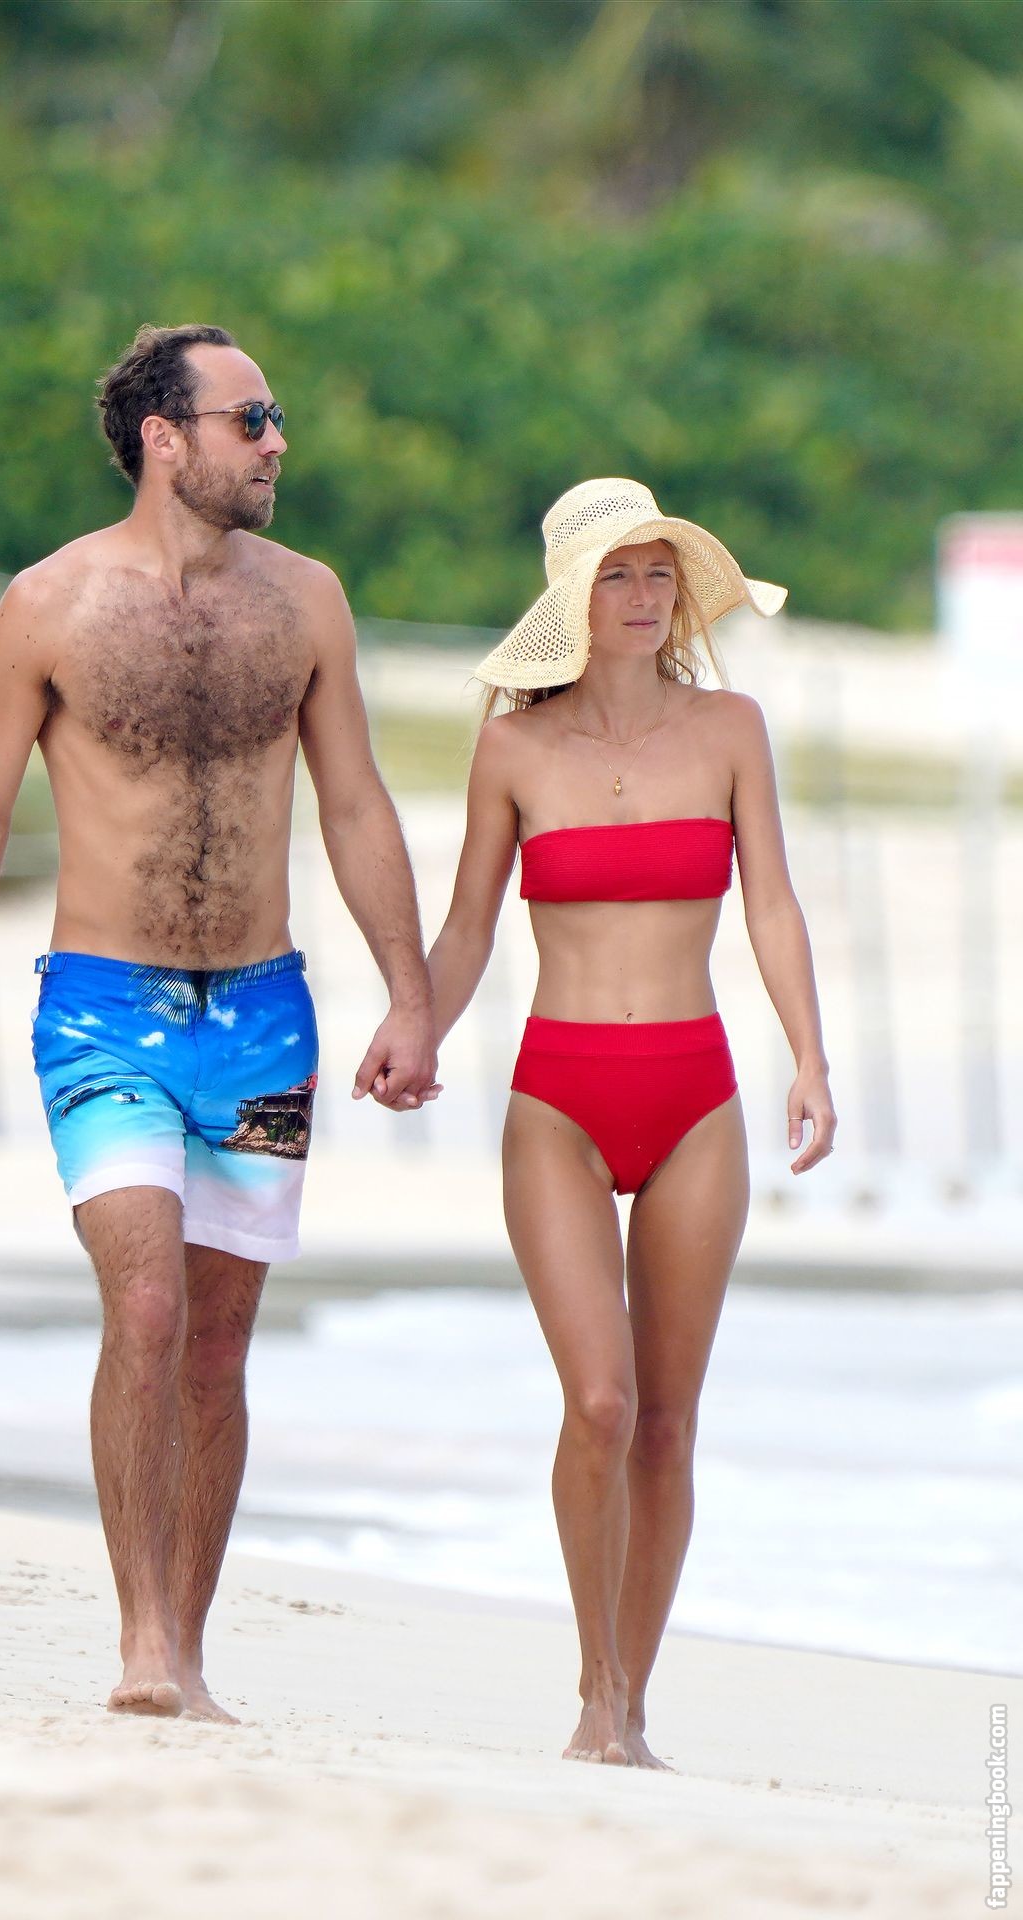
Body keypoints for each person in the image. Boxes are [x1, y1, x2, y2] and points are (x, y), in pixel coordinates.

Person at [0, 322, 438, 1722]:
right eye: (249, 420)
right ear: (162, 437)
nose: (275, 443)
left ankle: (188, 1651)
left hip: (265, 1021)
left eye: (274, 419)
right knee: (145, 1306)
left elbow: (354, 803)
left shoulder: (308, 601)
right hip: (103, 1013)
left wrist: (410, 993)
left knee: (216, 1345)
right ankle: (140, 1642)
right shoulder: (50, 603)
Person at [426, 477, 836, 1769]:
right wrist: (412, 1029)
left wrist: (809, 1059)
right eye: (617, 575)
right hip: (559, 1096)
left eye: (660, 572)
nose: (646, 596)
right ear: (571, 597)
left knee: (664, 1421)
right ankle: (591, 1685)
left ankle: (630, 1707)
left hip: (694, 1099)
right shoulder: (514, 750)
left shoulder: (729, 730)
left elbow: (771, 904)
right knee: (598, 1401)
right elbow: (468, 926)